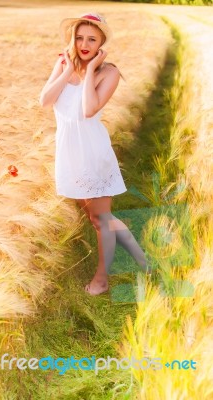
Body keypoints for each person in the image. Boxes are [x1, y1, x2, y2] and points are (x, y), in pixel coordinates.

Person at [39, 12, 152, 296]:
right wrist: (67, 70)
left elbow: (89, 110)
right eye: (79, 37)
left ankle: (102, 280)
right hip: (68, 151)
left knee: (101, 220)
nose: (84, 44)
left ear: (102, 43)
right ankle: (142, 260)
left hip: (92, 151)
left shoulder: (109, 72)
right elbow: (45, 100)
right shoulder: (63, 64)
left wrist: (90, 71)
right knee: (96, 217)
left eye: (92, 38)